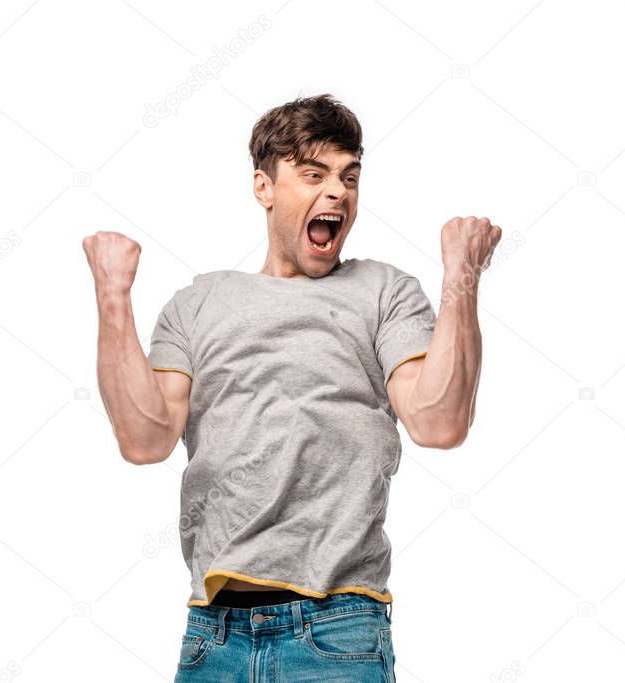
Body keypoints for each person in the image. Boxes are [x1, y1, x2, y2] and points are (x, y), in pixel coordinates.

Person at [82, 93, 501, 681]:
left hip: (337, 630)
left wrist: (462, 278)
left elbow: (439, 422)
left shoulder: (384, 292)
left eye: (349, 177)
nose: (338, 192)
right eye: (314, 174)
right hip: (212, 632)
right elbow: (143, 439)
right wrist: (112, 297)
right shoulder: (197, 303)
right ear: (264, 186)